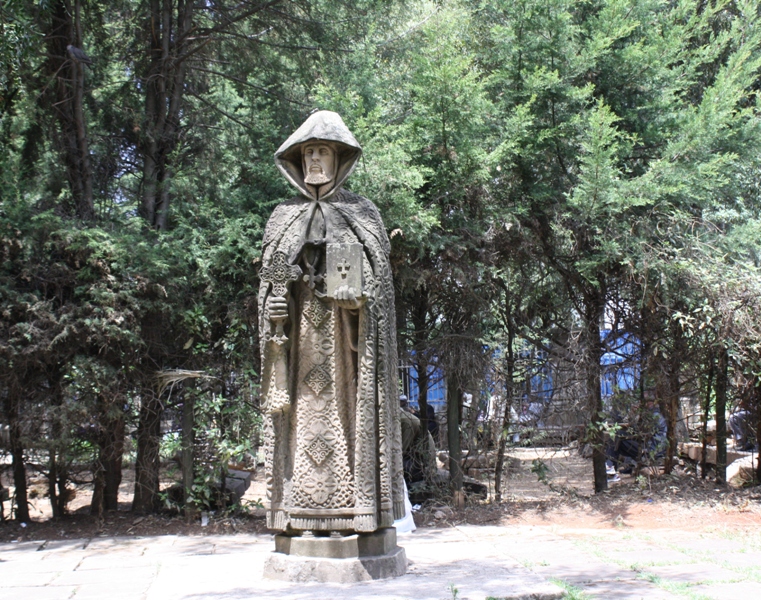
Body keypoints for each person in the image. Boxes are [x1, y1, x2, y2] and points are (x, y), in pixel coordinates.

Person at [259, 111, 405, 535]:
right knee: (301, 422)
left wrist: (360, 303)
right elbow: (269, 282)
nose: (315, 160)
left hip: (347, 350)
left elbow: (378, 290)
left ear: (340, 157)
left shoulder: (362, 212)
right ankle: (297, 515)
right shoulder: (282, 217)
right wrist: (273, 310)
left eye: (323, 150)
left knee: (349, 423)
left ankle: (358, 513)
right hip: (300, 346)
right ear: (296, 160)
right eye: (308, 152)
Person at [606, 398, 667, 477]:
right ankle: (611, 469)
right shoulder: (650, 414)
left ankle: (610, 467)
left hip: (652, 450)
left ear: (651, 403)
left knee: (617, 437)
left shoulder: (654, 416)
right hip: (648, 446)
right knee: (617, 439)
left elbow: (640, 433)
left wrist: (634, 416)